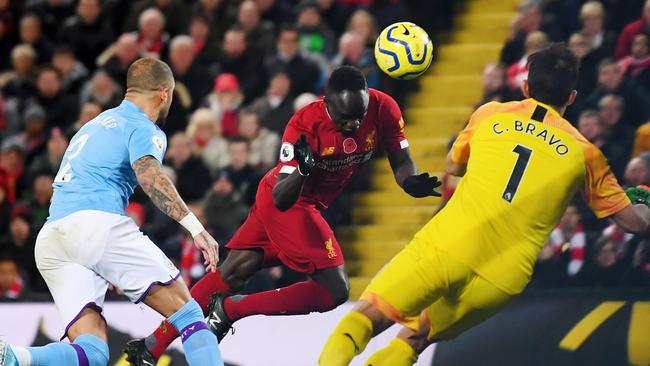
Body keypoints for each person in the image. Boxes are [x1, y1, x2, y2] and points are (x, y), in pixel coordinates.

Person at [318, 45, 650, 366]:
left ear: (524, 86)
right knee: (415, 339)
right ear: (571, 98)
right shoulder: (585, 153)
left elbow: (453, 165)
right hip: (503, 276)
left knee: (366, 318)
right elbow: (635, 223)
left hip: (449, 244)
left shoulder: (490, 114)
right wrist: (643, 197)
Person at [125, 65, 441, 364]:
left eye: (358, 118)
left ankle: (152, 345)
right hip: (290, 202)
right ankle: (233, 309)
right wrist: (304, 170)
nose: (353, 127)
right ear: (327, 101)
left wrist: (408, 181)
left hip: (305, 204)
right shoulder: (304, 124)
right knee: (335, 290)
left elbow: (402, 161)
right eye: (345, 120)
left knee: (232, 273)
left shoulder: (383, 108)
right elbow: (282, 196)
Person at [0, 58, 222, 366]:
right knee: (190, 314)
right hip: (95, 225)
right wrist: (195, 228)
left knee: (92, 352)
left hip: (52, 238)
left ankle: (14, 357)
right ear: (164, 93)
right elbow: (149, 175)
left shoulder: (93, 125)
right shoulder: (143, 127)